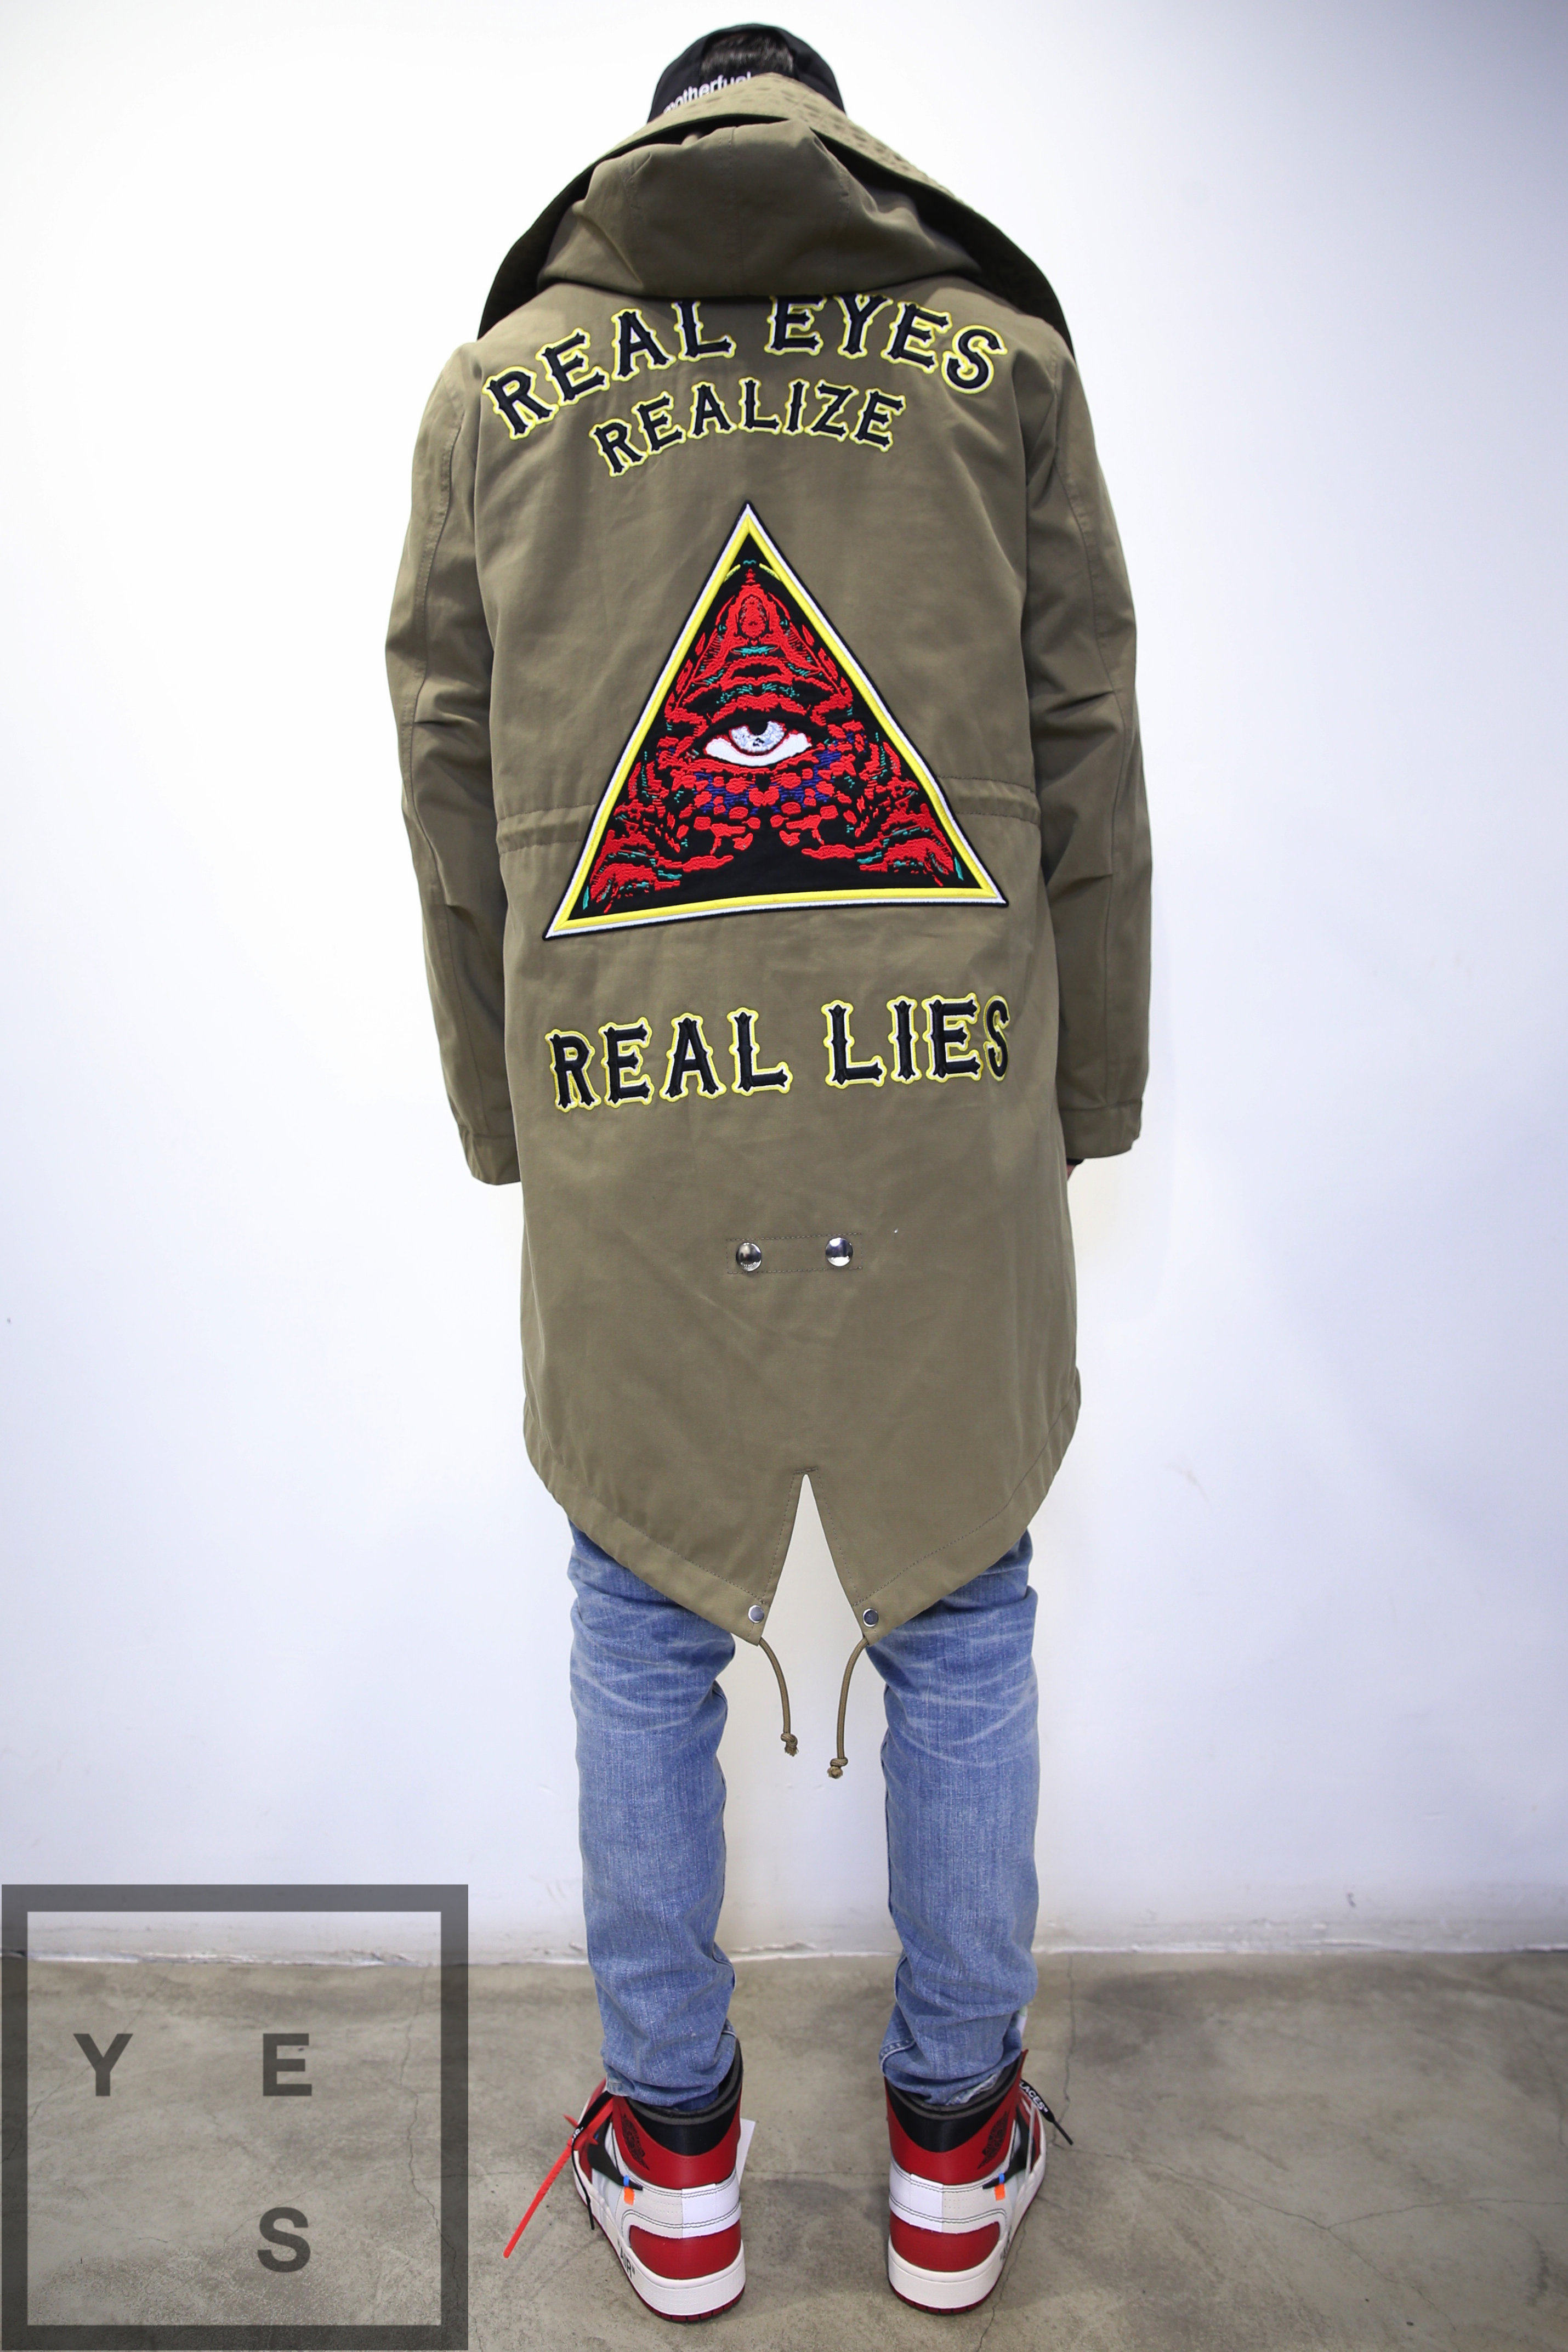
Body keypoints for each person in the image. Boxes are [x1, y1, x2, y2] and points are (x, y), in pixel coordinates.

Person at [388, 21, 1150, 2321]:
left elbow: (446, 766)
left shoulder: (500, 391)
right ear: (843, 134)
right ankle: (953, 2149)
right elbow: (1084, 741)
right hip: (938, 1096)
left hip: (633, 1099)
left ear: (652, 140)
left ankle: (676, 2154)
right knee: (965, 1603)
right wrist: (1081, 1091)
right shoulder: (998, 362)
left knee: (636, 1607)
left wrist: (504, 1110)